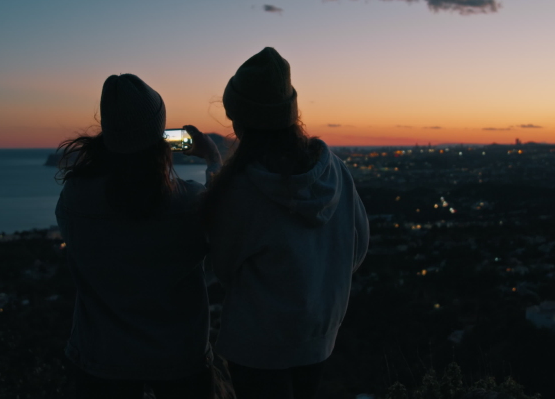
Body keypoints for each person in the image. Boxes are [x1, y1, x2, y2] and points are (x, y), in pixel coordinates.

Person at [187, 47, 369, 399]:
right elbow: (357, 248)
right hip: (318, 337)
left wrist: (213, 162)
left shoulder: (243, 189)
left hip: (258, 345)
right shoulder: (334, 172)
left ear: (239, 119)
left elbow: (223, 267)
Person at [55, 74, 220, 399]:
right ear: (159, 137)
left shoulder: (75, 198)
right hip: (181, 359)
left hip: (100, 360)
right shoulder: (188, 203)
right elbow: (223, 247)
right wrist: (214, 161)